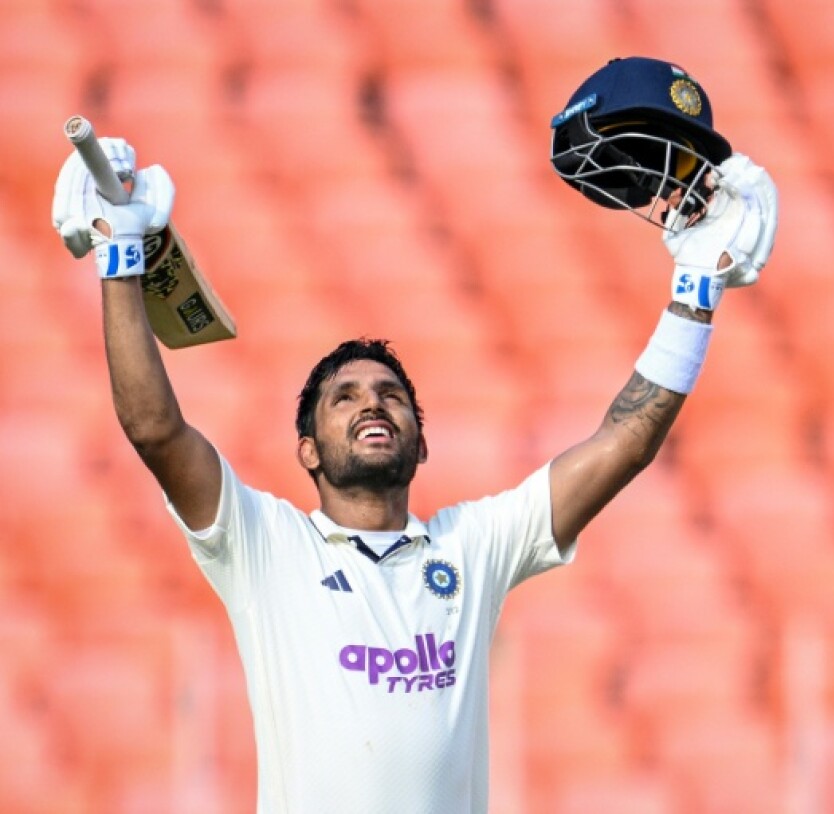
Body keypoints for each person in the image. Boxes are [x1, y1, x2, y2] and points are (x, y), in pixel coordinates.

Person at [50, 58, 777, 813]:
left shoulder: (472, 549)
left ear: (421, 444)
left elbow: (623, 444)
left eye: (393, 396)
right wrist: (120, 256)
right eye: (346, 398)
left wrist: (694, 294)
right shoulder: (264, 545)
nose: (375, 405)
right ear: (307, 450)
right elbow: (154, 428)